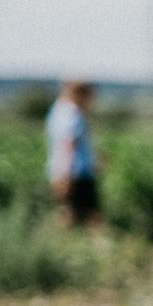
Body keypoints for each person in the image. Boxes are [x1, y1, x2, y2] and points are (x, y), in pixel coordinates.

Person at [45, 78, 101, 229]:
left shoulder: (58, 110)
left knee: (68, 212)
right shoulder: (72, 113)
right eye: (90, 95)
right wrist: (66, 176)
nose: (92, 100)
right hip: (76, 173)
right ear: (79, 93)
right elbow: (69, 145)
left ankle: (59, 247)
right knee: (90, 217)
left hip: (63, 170)